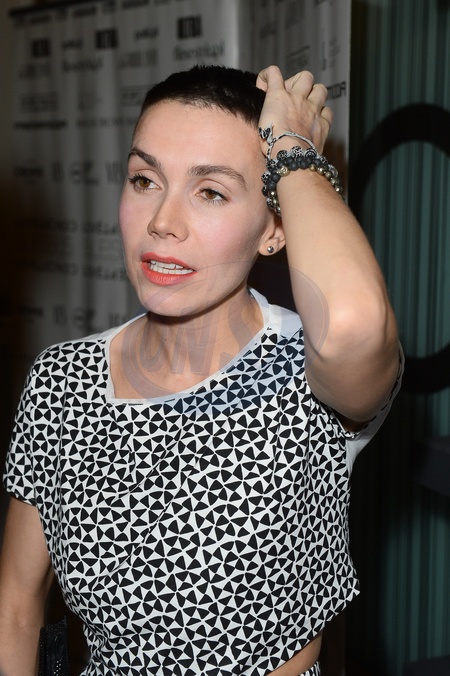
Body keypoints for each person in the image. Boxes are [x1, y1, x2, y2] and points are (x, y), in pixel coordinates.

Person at [0, 64, 401, 676]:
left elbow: (354, 325)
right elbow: (16, 607)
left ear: (274, 229)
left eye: (210, 191)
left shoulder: (304, 371)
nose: (162, 221)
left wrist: (291, 148)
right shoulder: (63, 379)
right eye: (144, 180)